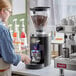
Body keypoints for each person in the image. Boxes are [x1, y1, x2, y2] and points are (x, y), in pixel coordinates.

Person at [0, 0, 31, 76]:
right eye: (10, 11)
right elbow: (10, 57)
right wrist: (22, 57)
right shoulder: (2, 30)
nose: (10, 14)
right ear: (3, 11)